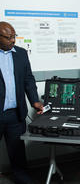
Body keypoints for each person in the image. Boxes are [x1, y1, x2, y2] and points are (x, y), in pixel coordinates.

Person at [0, 21, 43, 184]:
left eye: (14, 36)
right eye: (9, 37)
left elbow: (28, 79)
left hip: (15, 114)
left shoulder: (21, 53)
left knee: (17, 152)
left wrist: (34, 101)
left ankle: (22, 179)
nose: (13, 40)